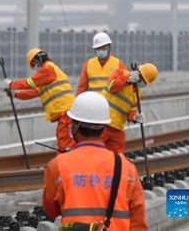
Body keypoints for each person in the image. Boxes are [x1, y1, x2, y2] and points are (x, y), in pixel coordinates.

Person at [42, 92, 148, 231]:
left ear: (75, 125)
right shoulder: (125, 166)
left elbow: (51, 210)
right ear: (104, 127)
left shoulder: (57, 165)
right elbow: (138, 222)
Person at [4, 48, 76, 151]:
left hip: (65, 112)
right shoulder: (49, 72)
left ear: (37, 59)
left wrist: (12, 84)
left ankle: (65, 164)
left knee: (65, 143)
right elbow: (35, 92)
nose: (36, 66)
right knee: (65, 141)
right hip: (65, 112)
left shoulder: (48, 69)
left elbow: (30, 83)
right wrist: (15, 95)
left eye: (34, 63)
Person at [101, 63, 158, 153]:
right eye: (141, 79)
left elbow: (132, 109)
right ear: (138, 73)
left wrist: (135, 117)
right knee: (95, 151)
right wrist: (127, 80)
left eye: (144, 82)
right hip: (102, 123)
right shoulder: (121, 73)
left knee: (118, 156)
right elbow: (110, 86)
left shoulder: (138, 92)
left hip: (117, 127)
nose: (141, 82)